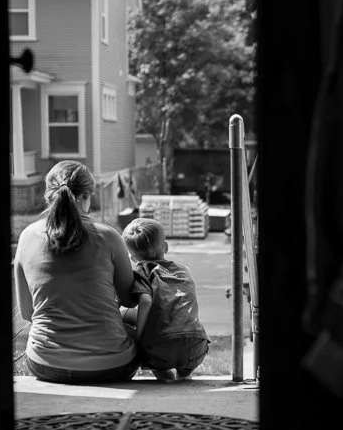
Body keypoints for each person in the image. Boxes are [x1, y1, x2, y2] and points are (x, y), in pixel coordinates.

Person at [13, 160, 140, 384]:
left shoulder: (27, 236)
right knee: (134, 328)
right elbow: (130, 300)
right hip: (110, 365)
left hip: (45, 364)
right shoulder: (108, 237)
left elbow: (27, 312)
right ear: (86, 196)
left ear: (48, 195)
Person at [120, 218, 210, 381]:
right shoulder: (184, 270)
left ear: (132, 258)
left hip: (161, 349)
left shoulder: (143, 271)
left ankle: (165, 379)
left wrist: (140, 337)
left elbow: (146, 301)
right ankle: (184, 376)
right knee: (184, 362)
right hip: (196, 344)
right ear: (166, 246)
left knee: (151, 355)